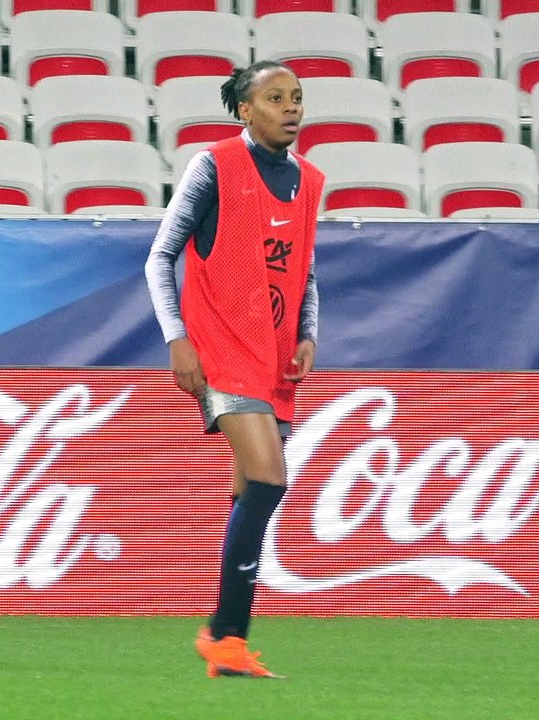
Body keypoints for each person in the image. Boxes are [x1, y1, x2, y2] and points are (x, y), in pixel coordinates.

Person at [144, 60, 323, 679]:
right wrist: (177, 340)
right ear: (245, 110)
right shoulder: (213, 165)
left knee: (251, 488)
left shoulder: (307, 179)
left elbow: (306, 271)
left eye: (296, 97)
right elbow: (160, 255)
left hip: (272, 356)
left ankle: (225, 643)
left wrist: (306, 334)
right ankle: (226, 636)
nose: (291, 107)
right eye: (275, 98)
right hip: (221, 347)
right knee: (270, 478)